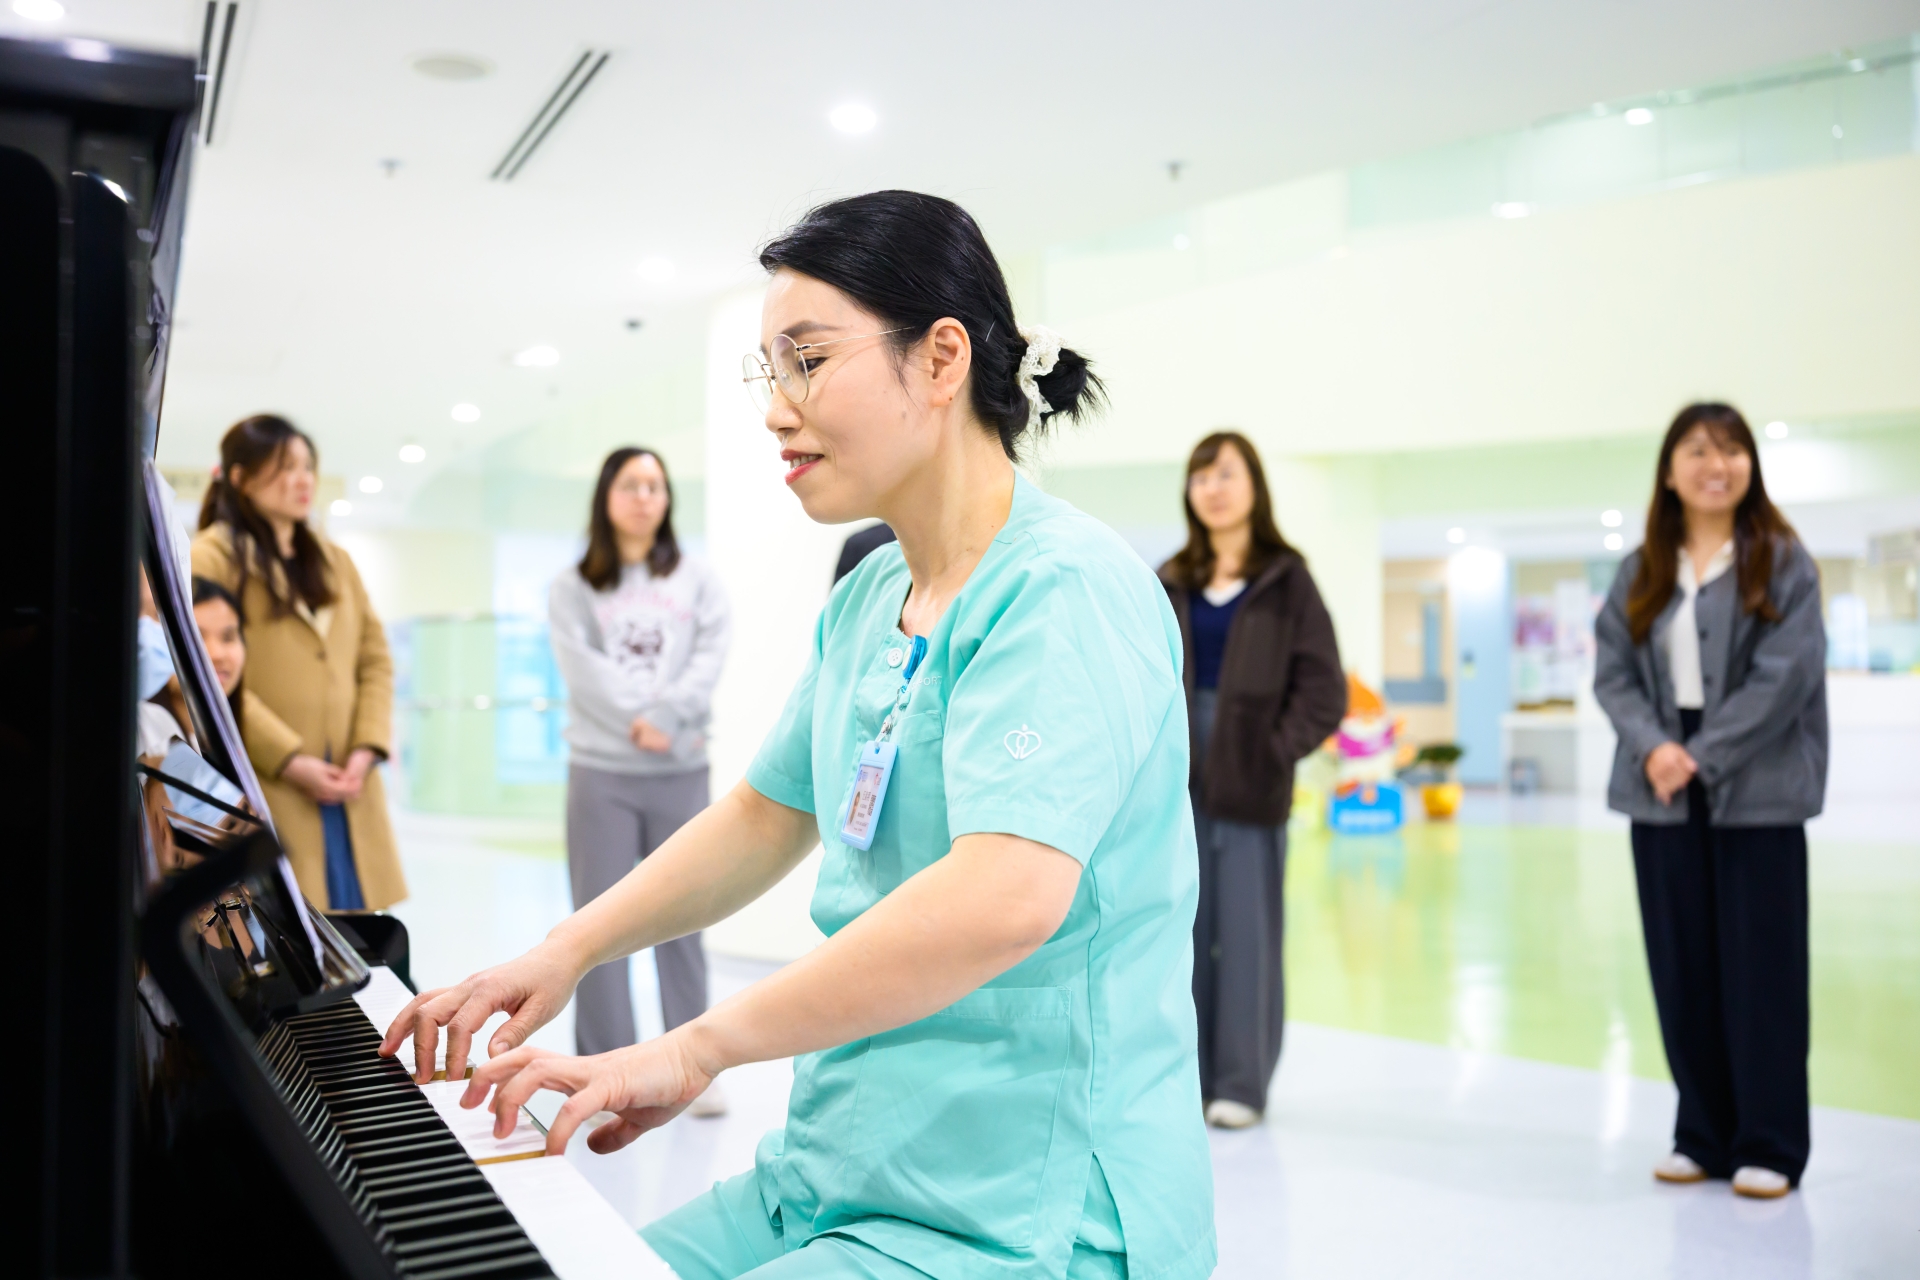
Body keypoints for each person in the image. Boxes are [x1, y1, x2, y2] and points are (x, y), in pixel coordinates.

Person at [383, 190, 1216, 1280]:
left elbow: (1006, 895)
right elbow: (765, 814)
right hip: (837, 1171)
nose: (777, 408)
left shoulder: (1065, 590)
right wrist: (565, 949)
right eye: (767, 370)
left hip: (1023, 1209)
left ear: (941, 358)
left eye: (808, 360)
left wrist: (691, 1047)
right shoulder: (873, 594)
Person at [1593, 402, 1826, 1201]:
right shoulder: (1641, 570)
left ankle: (1769, 1142)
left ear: (1750, 467)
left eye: (1731, 450)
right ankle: (1702, 1131)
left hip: (1755, 787)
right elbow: (1612, 673)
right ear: (1669, 470)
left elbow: (1785, 677)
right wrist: (1657, 748)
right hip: (1659, 782)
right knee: (1680, 963)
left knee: (1762, 968)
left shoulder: (1784, 562)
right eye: (1697, 450)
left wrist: (1700, 753)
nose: (1715, 464)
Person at [1158, 431, 1346, 1129]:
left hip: (1251, 779)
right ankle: (1188, 1076)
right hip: (1175, 780)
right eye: (1200, 475)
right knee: (1181, 932)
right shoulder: (1171, 576)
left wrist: (1275, 749)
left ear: (1254, 487)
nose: (1212, 487)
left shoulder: (1286, 579)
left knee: (1246, 934)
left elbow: (1325, 690)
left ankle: (1241, 1081)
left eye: (1226, 474)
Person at [548, 446, 731, 1104]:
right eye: (632, 485)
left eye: (656, 485)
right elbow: (583, 666)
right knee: (598, 927)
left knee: (685, 918)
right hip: (603, 772)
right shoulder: (573, 586)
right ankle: (604, 1072)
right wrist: (638, 717)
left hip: (681, 767)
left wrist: (670, 714)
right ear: (606, 496)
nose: (645, 497)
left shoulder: (697, 578)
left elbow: (710, 652)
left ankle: (692, 1068)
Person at [192, 414, 404, 911]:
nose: (303, 479)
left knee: (362, 938)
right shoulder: (212, 557)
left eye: (308, 465)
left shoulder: (335, 561)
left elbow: (375, 658)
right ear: (240, 477)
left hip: (351, 785)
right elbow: (205, 676)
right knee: (291, 931)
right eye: (285, 467)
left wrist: (366, 748)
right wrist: (288, 758)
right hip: (273, 780)